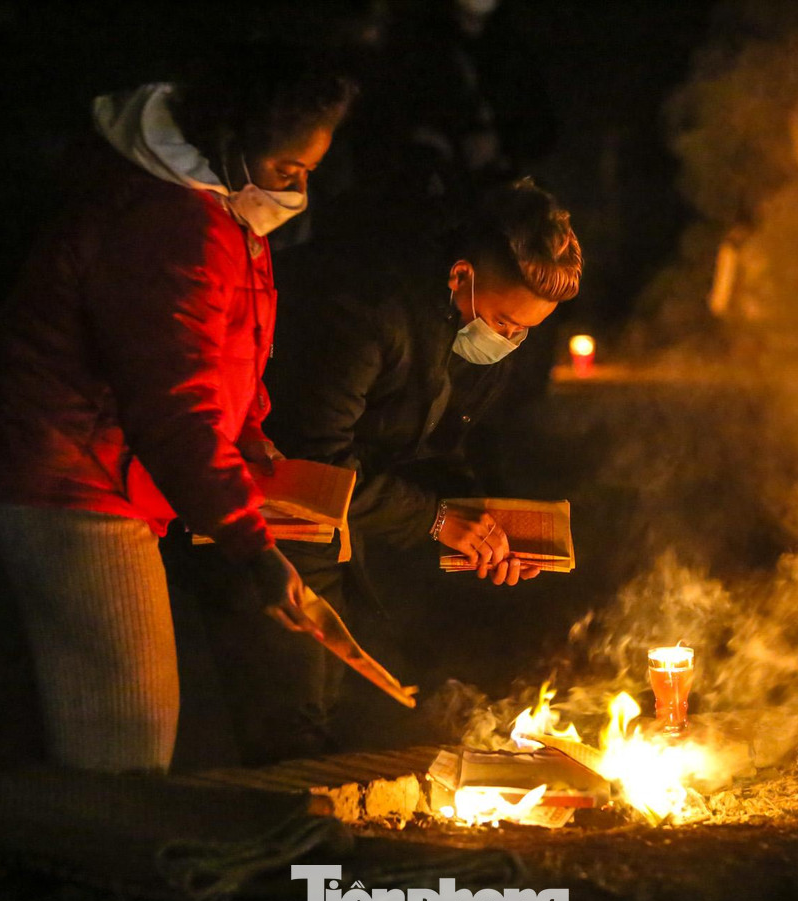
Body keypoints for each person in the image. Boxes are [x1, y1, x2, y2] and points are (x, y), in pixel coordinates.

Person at [0, 48, 356, 774]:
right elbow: (172, 402)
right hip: (71, 487)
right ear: (233, 141)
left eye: (308, 171)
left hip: (99, 477)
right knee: (124, 742)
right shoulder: (169, 223)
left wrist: (248, 432)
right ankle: (91, 876)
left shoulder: (214, 209)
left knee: (115, 730)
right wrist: (252, 545)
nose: (299, 191)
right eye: (287, 169)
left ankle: (77, 863)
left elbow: (217, 356)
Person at [249, 177, 582, 740]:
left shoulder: (475, 324)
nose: (509, 342)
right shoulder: (366, 310)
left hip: (360, 522)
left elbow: (442, 443)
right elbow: (314, 464)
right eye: (505, 324)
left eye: (525, 333)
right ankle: (288, 815)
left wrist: (487, 526)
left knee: (364, 706)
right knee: (297, 712)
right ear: (461, 276)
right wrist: (437, 520)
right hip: (279, 527)